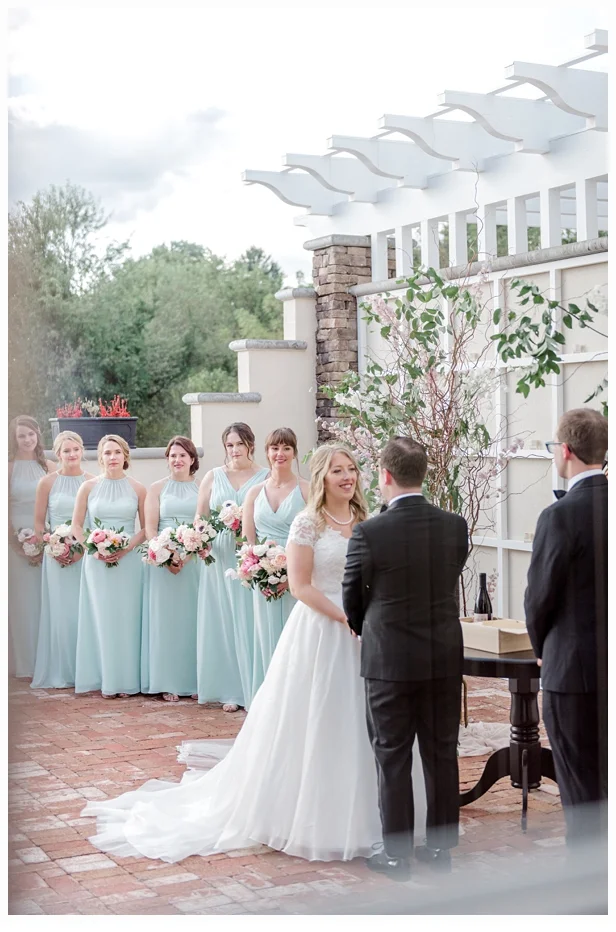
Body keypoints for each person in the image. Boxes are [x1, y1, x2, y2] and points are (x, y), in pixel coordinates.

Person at [82, 444, 426, 863]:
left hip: (367, 633)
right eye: (337, 470)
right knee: (318, 716)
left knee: (371, 720)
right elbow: (301, 586)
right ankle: (313, 815)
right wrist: (346, 618)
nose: (347, 476)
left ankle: (382, 815)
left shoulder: (368, 522)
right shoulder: (307, 523)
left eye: (351, 468)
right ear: (321, 477)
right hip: (323, 629)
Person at [343, 436, 469, 880]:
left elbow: (352, 595)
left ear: (385, 475)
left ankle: (396, 856)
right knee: (442, 752)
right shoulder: (455, 525)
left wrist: (365, 626)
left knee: (392, 754)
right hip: (442, 655)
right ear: (423, 474)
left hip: (389, 660)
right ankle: (439, 850)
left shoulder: (370, 531)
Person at [525, 408, 608, 847]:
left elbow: (539, 598)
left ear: (566, 450)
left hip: (571, 674)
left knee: (581, 795)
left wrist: (542, 649)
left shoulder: (559, 515)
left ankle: (589, 883)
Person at [194, 423, 269, 711]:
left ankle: (254, 686)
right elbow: (200, 517)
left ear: (251, 444)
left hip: (250, 555)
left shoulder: (265, 476)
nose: (235, 450)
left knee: (250, 618)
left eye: (240, 444)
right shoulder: (213, 476)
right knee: (223, 620)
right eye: (229, 445)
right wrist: (200, 540)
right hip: (219, 556)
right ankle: (230, 690)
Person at [73, 435, 146, 698]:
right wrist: (93, 548)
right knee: (101, 618)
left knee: (127, 618)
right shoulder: (88, 487)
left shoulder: (138, 488)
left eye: (117, 452)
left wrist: (125, 549)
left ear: (125, 456)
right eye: (107, 453)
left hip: (129, 563)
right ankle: (104, 677)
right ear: (100, 457)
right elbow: (77, 525)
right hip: (96, 563)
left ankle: (125, 680)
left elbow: (145, 528)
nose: (112, 457)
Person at [243, 427, 308, 705]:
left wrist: (290, 577)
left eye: (286, 448)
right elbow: (248, 542)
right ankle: (267, 703)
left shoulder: (307, 490)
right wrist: (258, 571)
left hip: (298, 577)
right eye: (275, 448)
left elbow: (316, 539)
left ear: (294, 453)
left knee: (295, 639)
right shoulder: (254, 493)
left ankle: (295, 701)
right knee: (265, 636)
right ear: (267, 452)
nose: (280, 454)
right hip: (263, 580)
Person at [31, 431, 95, 689]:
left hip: (85, 555)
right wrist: (55, 548)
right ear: (58, 454)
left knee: (83, 612)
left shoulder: (92, 481)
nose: (72, 454)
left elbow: (92, 522)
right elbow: (39, 524)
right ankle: (61, 670)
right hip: (56, 558)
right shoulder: (47, 482)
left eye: (75, 449)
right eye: (66, 451)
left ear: (82, 450)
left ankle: (85, 670)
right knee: (60, 614)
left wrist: (81, 549)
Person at [141, 437, 201, 702]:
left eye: (182, 455)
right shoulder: (157, 488)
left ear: (192, 459)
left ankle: (195, 680)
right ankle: (167, 682)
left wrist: (187, 555)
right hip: (162, 562)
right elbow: (150, 528)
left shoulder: (202, 488)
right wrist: (166, 555)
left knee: (193, 620)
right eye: (173, 455)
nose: (177, 460)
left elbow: (204, 526)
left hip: (194, 562)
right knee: (165, 622)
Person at [8, 415, 57, 677]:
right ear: (14, 439)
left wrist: (51, 539)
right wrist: (15, 542)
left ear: (38, 435)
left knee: (45, 601)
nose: (27, 440)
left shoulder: (49, 466)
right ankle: (24, 664)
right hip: (15, 540)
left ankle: (46, 661)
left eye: (31, 434)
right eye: (21, 436)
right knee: (22, 602)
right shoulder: (8, 469)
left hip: (46, 540)